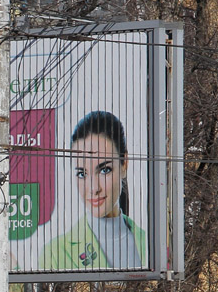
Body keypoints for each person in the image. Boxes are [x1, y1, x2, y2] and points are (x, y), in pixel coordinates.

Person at [40, 111, 146, 270]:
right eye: (82, 174)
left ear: (124, 164)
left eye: (105, 170)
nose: (94, 188)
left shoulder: (148, 243)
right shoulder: (55, 253)